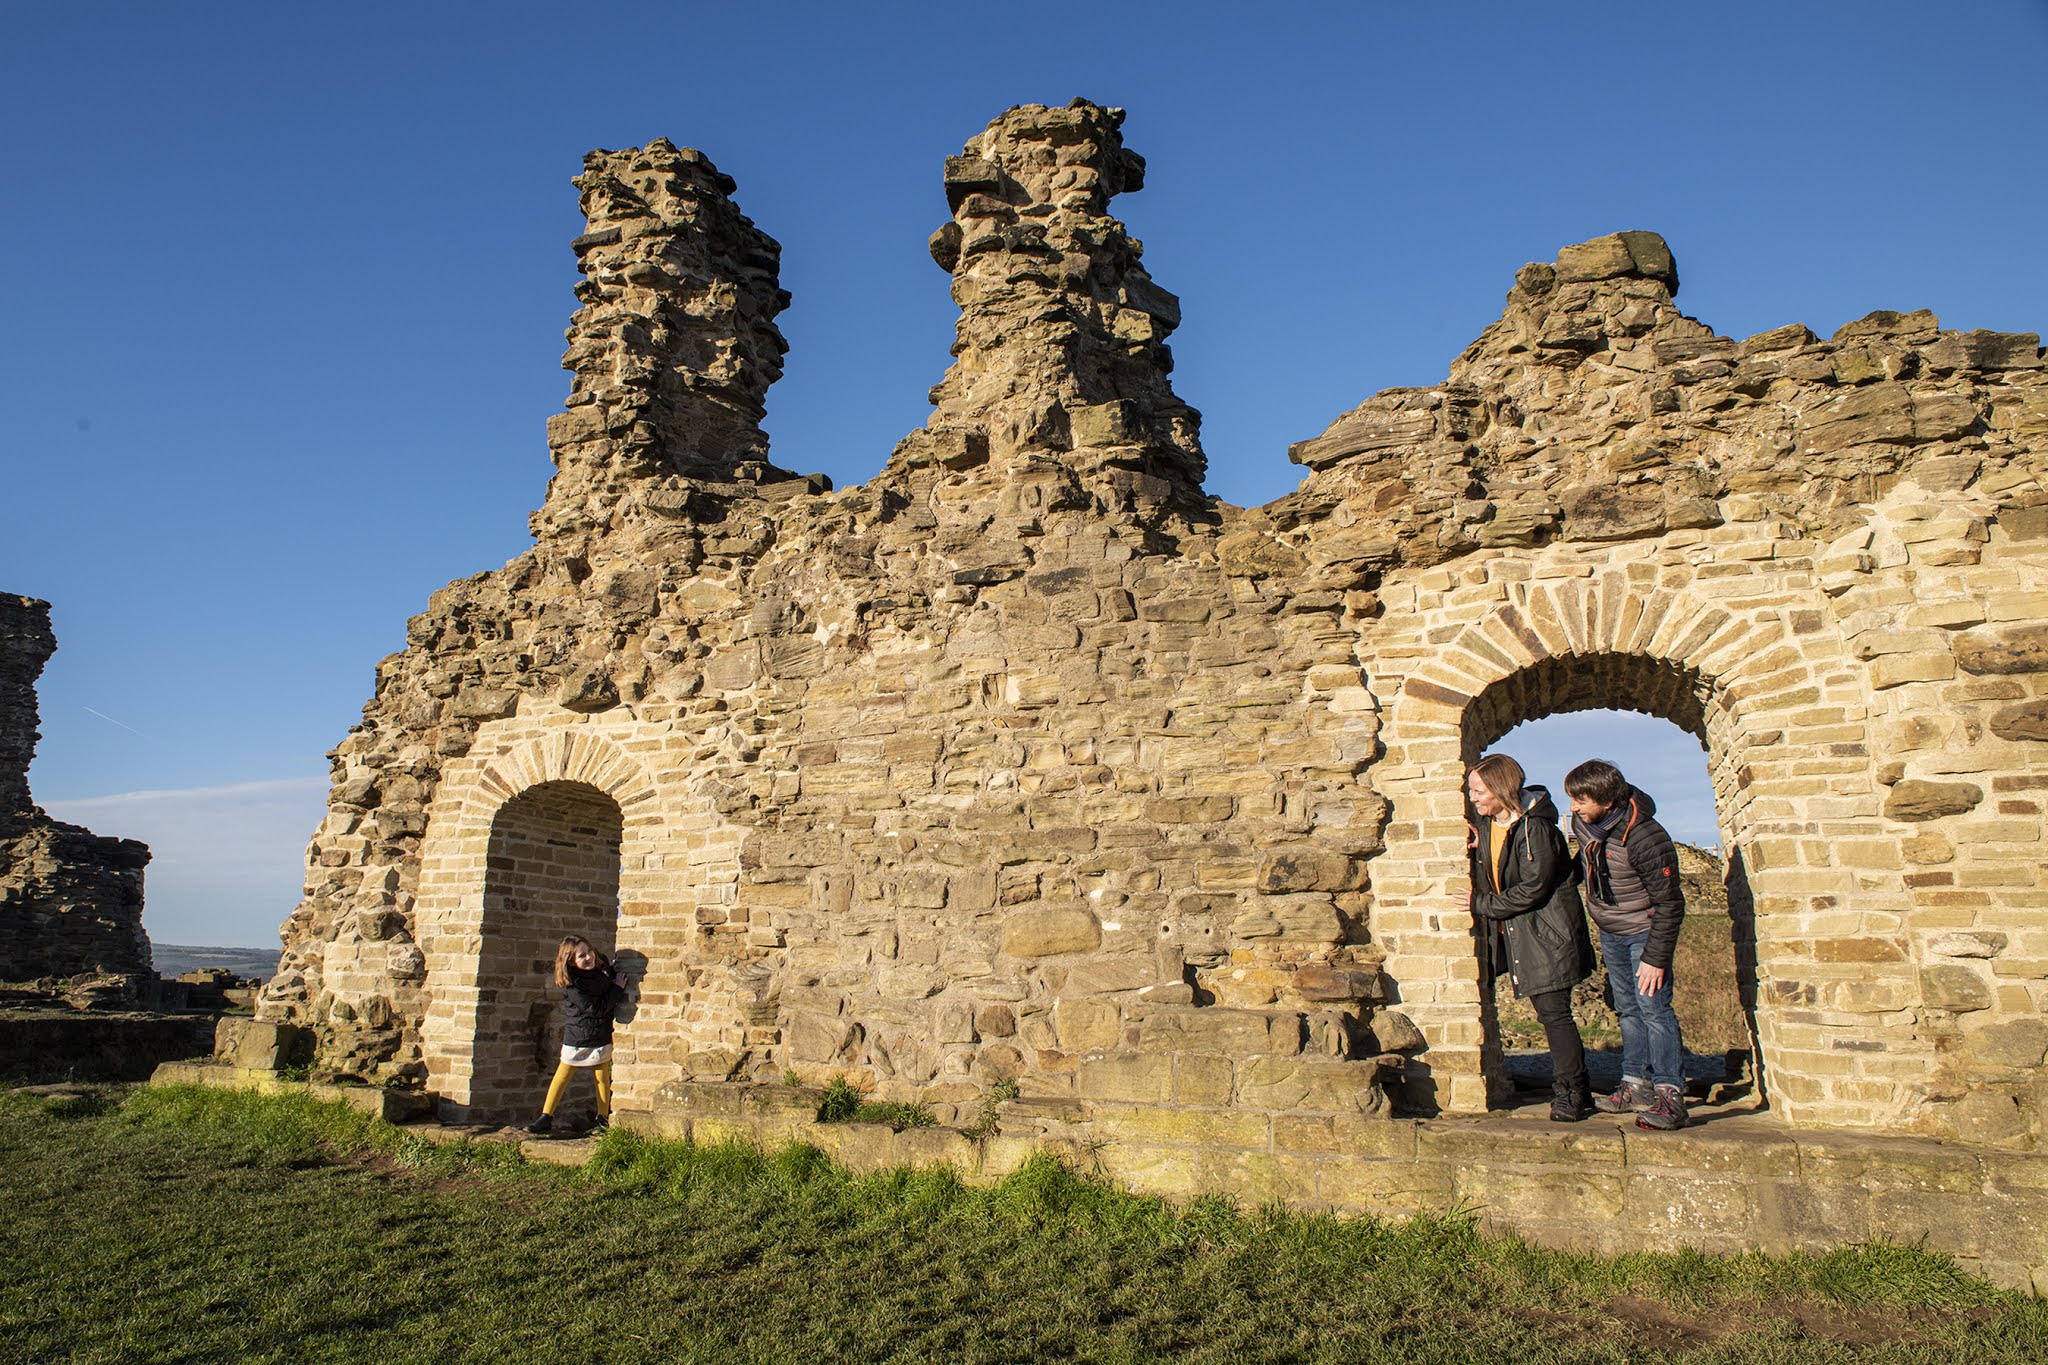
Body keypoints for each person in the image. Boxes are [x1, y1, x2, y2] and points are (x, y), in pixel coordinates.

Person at [1466, 753, 1597, 1122]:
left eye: (1478, 791)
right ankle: (1572, 1085)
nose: (1473, 798)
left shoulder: (1537, 830)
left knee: (1554, 1014)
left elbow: (1534, 888)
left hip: (1546, 932)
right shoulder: (1492, 823)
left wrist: (1480, 904)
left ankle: (1571, 1092)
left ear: (1501, 789)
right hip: (1514, 930)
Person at [1564, 758, 1689, 1132]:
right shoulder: (1584, 825)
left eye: (1580, 800)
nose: (1573, 807)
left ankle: (1671, 1095)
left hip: (1645, 931)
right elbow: (1584, 866)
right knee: (1628, 1008)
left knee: (1654, 1009)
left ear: (1605, 800)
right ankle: (1636, 1084)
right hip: (1611, 931)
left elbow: (1670, 903)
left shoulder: (1646, 836)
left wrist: (1655, 957)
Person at [524, 935, 626, 1136]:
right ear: (571, 961)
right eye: (582, 956)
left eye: (590, 952)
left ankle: (602, 1118)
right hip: (578, 1036)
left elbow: (604, 978)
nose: (588, 957)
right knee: (563, 1075)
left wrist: (613, 971)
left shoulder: (600, 969)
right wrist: (617, 989)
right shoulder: (574, 986)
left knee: (602, 1077)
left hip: (600, 1033)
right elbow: (596, 1008)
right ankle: (546, 1116)